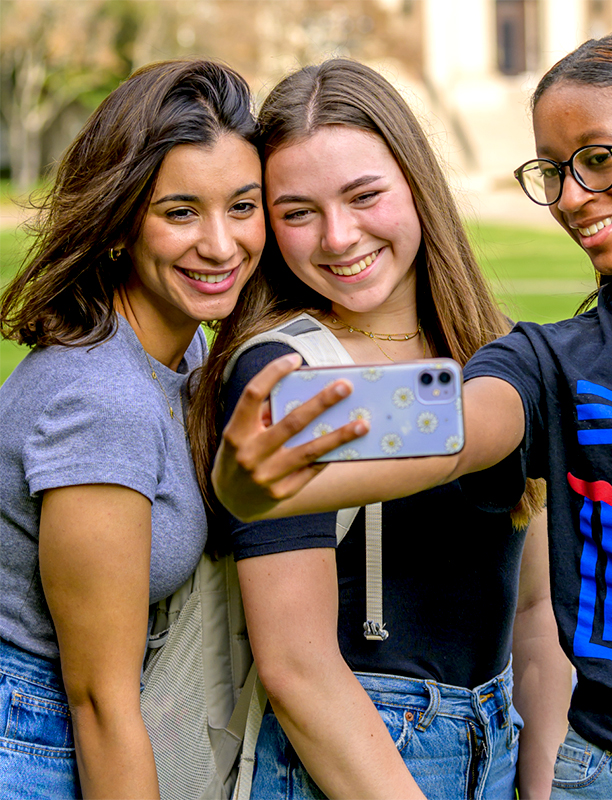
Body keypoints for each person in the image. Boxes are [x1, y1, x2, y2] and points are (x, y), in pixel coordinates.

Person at [211, 25, 612, 800]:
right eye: (554, 171)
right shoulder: (544, 361)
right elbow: (451, 432)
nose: (571, 197)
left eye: (597, 159)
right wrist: (253, 480)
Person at [189, 58, 572, 799]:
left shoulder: (497, 359)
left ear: (417, 185)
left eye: (365, 196)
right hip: (354, 755)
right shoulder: (285, 369)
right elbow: (296, 667)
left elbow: (534, 608)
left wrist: (541, 778)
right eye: (297, 212)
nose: (338, 236)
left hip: (496, 743)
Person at [0, 59, 265, 799]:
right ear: (119, 224)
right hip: (35, 744)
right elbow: (98, 702)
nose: (220, 245)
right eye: (181, 213)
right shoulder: (102, 401)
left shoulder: (188, 350)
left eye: (243, 206)